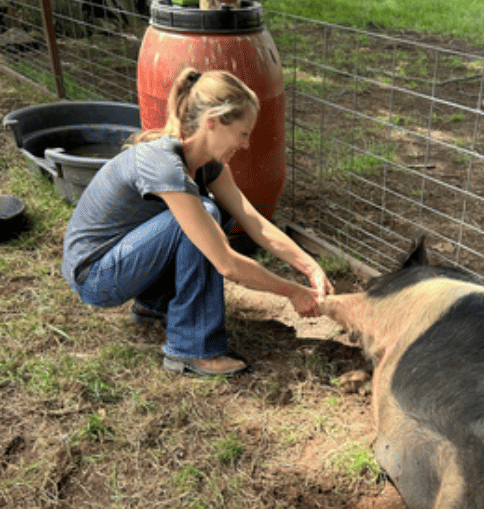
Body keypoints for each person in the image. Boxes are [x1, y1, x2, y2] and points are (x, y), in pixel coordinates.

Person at [62, 67, 334, 377]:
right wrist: (292, 291)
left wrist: (309, 266)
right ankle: (193, 349)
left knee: (214, 213)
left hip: (121, 262)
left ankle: (155, 303)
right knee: (205, 214)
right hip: (95, 277)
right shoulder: (164, 165)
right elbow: (226, 264)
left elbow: (253, 220)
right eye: (243, 133)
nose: (245, 145)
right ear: (213, 123)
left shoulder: (207, 165)